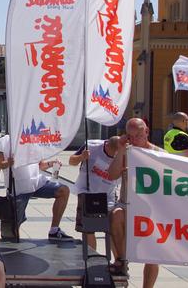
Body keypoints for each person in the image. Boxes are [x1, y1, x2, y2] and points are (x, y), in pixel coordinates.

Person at [108, 118, 161, 286]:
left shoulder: (159, 154)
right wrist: (122, 151)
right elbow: (112, 175)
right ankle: (121, 259)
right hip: (127, 204)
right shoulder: (126, 152)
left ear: (147, 131)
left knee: (153, 253)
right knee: (115, 215)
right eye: (131, 136)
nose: (136, 139)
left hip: (152, 208)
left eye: (139, 135)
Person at [0, 135, 73, 241]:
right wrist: (8, 163)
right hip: (18, 188)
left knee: (63, 190)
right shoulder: (5, 141)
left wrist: (51, 164)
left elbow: (39, 165)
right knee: (13, 230)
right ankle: (12, 245)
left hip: (37, 183)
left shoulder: (34, 139)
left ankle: (54, 230)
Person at [68, 137, 121, 251]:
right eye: (114, 154)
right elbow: (71, 161)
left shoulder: (123, 155)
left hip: (108, 195)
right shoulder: (91, 146)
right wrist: (81, 157)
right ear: (107, 146)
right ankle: (92, 256)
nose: (114, 157)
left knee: (112, 230)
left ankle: (118, 262)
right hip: (87, 193)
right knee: (88, 229)